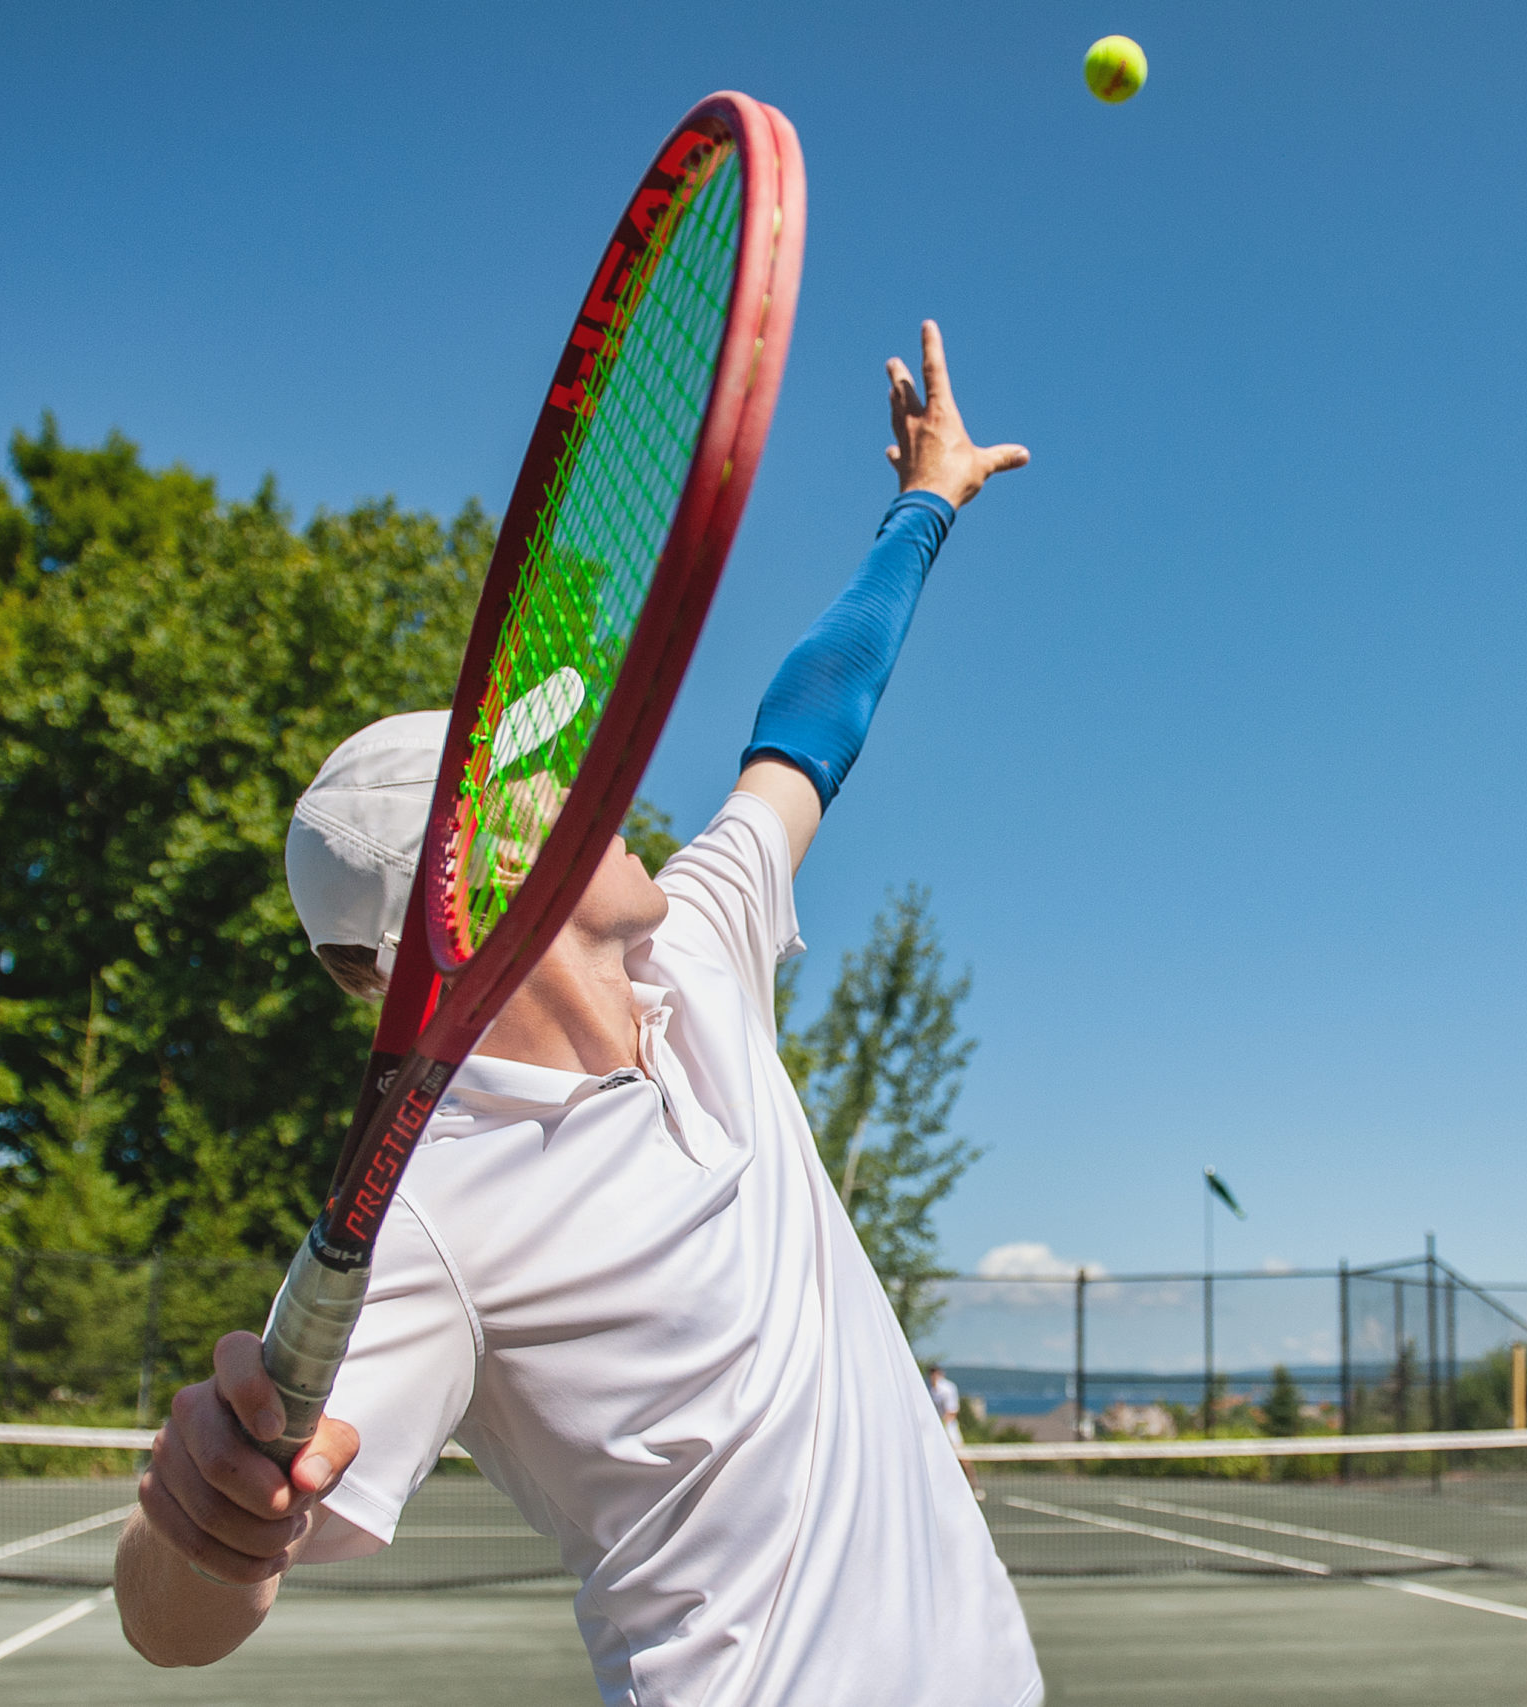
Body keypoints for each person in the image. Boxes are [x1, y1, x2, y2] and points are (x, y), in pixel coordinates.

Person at [116, 322, 1039, 1706]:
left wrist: (924, 502)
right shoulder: (430, 1212)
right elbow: (179, 1616)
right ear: (484, 877)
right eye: (553, 774)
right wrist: (206, 1517)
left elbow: (811, 722)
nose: (604, 778)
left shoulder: (703, 956)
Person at [929, 1362, 983, 1500]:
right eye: (932, 1373)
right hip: (936, 1430)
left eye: (936, 1373)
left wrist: (942, 1424)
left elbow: (952, 1411)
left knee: (963, 1458)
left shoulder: (948, 1388)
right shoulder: (930, 1390)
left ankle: (975, 1486)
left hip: (950, 1429)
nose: (934, 1376)